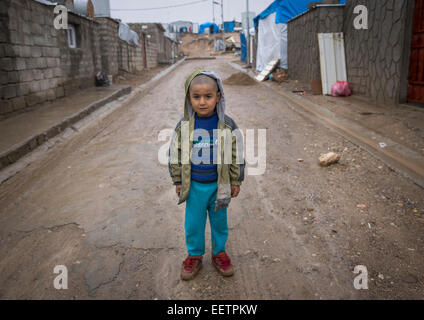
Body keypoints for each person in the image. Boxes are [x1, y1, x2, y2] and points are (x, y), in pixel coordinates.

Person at [168, 68, 245, 281]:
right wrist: (178, 180)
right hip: (194, 187)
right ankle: (194, 256)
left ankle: (219, 252)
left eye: (208, 96)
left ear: (218, 97)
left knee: (219, 221)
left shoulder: (227, 125)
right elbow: (175, 154)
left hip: (219, 186)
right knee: (193, 223)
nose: (202, 102)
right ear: (188, 98)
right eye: (196, 97)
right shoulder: (184, 126)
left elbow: (236, 154)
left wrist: (235, 179)